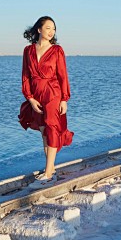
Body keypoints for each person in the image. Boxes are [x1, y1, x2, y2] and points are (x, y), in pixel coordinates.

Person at [18, 16, 74, 187]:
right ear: (39, 30)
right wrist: (30, 98)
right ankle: (50, 169)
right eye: (48, 28)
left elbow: (63, 75)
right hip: (37, 95)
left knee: (51, 129)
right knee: (44, 132)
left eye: (54, 29)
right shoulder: (28, 51)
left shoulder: (57, 50)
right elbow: (25, 76)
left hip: (53, 93)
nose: (52, 32)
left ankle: (48, 173)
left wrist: (64, 99)